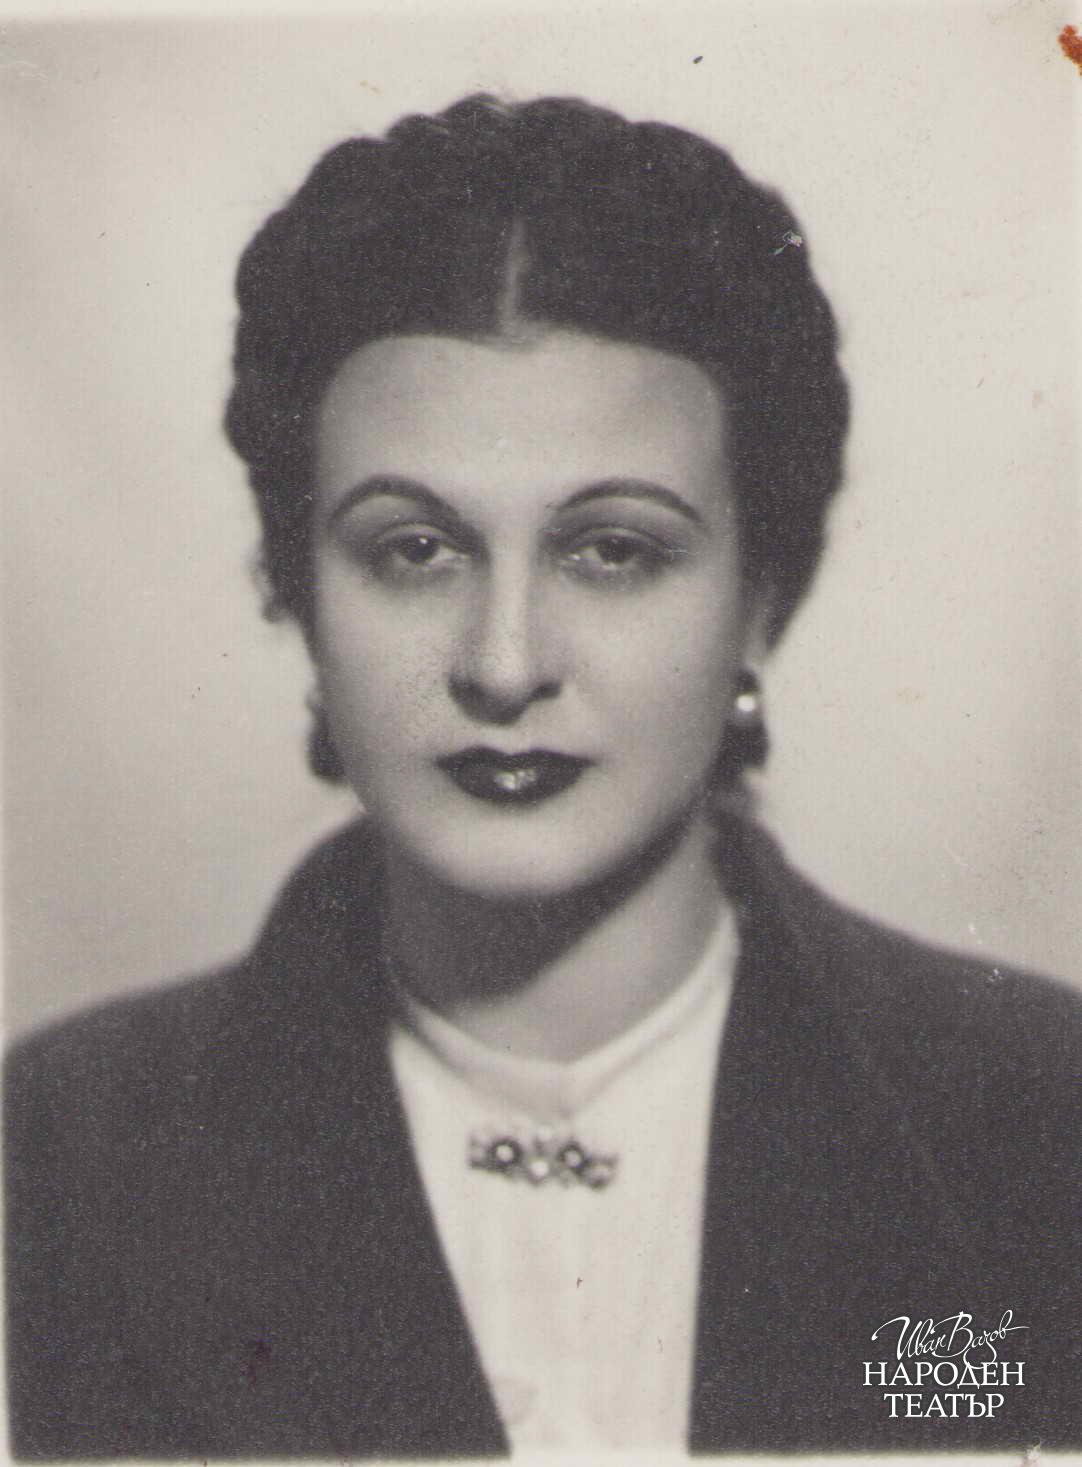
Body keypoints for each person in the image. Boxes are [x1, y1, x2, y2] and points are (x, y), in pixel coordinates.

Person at [5, 94, 1080, 1459]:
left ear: (761, 597)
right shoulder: (63, 1153)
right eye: (412, 551)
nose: (503, 665)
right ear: (299, 594)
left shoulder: (1038, 1120)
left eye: (613, 550)